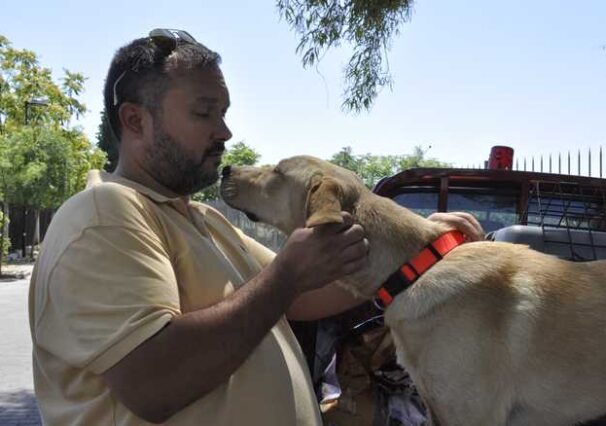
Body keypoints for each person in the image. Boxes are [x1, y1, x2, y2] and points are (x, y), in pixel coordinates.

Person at [28, 29, 484, 425]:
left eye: (223, 112)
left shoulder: (200, 219)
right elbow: (154, 381)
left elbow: (304, 295)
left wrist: (419, 247)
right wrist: (286, 276)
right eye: (204, 112)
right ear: (135, 120)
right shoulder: (104, 215)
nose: (224, 131)